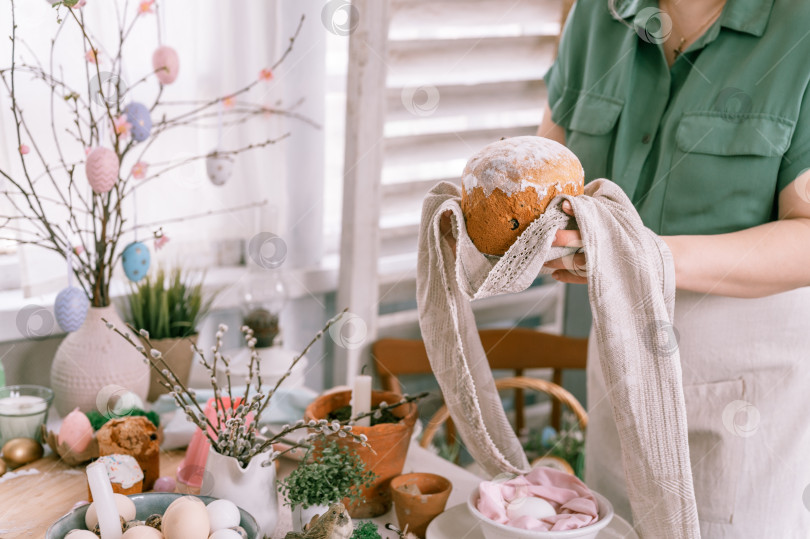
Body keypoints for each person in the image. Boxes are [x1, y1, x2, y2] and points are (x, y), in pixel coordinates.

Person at [538, 0, 810, 536]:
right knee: (615, 523)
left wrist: (649, 256)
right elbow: (552, 160)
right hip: (619, 359)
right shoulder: (596, 13)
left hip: (746, 394)